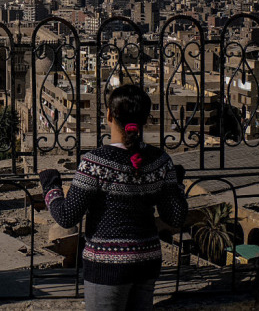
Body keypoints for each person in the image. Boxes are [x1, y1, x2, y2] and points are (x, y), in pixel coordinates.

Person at [39, 84, 188, 310]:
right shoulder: (161, 161)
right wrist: (176, 184)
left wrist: (51, 185)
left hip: (107, 267)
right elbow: (175, 216)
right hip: (147, 262)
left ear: (109, 114)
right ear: (145, 119)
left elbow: (67, 216)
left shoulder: (95, 163)